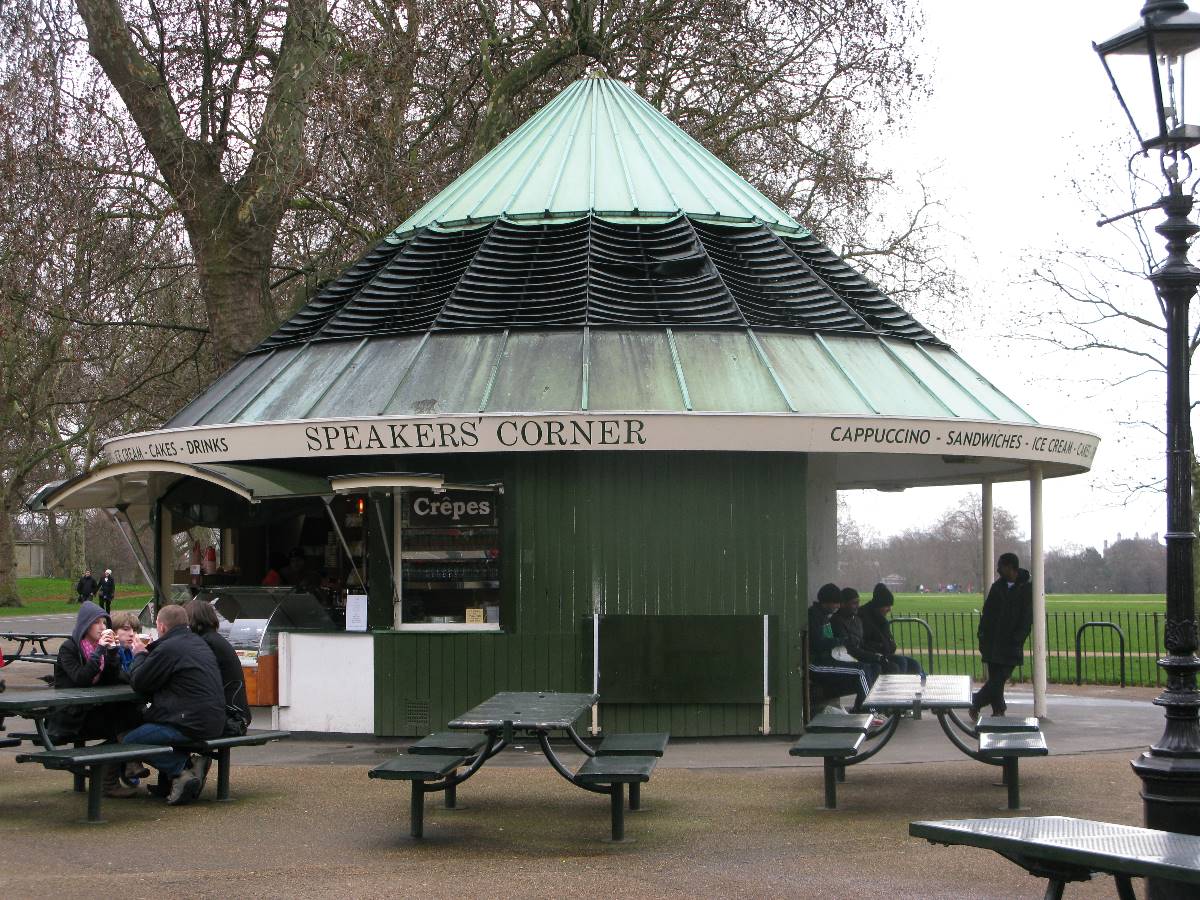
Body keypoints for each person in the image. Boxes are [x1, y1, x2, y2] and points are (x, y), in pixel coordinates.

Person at [123, 604, 226, 806]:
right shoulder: (197, 643)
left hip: (190, 723)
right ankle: (183, 773)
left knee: (130, 741)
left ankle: (184, 767)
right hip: (214, 720)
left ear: (161, 626)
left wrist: (140, 654)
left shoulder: (169, 648)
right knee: (151, 725)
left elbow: (139, 682)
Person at [49, 601, 144, 797]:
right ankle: (119, 772)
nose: (103, 627)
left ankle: (118, 772)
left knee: (130, 713)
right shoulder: (69, 648)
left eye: (104, 622)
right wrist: (101, 650)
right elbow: (81, 679)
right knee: (123, 722)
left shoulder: (100, 649)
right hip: (71, 714)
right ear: (85, 624)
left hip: (92, 709)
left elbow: (110, 680)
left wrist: (111, 653)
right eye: (97, 622)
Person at [969, 553, 1034, 720]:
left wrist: (1018, 638)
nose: (998, 569)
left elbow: (1027, 617)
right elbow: (987, 613)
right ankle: (998, 710)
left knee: (998, 680)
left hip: (1011, 644)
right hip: (992, 642)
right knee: (996, 680)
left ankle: (975, 701)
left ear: (1010, 567)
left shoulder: (1027, 588)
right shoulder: (998, 587)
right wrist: (982, 635)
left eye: (1000, 566)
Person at [183, 598, 251, 733]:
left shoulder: (205, 643)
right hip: (237, 714)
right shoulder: (213, 639)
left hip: (229, 718)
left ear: (192, 619)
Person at [807, 582, 872, 712]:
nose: (838, 606)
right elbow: (818, 644)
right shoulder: (814, 616)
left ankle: (863, 708)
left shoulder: (825, 617)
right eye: (836, 603)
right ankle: (870, 710)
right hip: (816, 665)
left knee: (867, 667)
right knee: (861, 671)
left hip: (828, 660)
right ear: (826, 602)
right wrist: (841, 641)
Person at [860, 583, 925, 676]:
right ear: (878, 605)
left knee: (914, 664)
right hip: (873, 656)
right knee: (901, 662)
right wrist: (883, 646)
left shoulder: (880, 618)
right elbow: (863, 643)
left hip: (884, 654)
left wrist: (889, 646)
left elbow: (889, 641)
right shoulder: (864, 617)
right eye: (887, 606)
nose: (889, 609)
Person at [830, 587, 882, 688]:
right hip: (846, 658)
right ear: (843, 604)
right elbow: (849, 648)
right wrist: (874, 657)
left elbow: (861, 643)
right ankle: (869, 702)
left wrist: (877, 653)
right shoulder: (836, 621)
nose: (857, 606)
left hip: (859, 656)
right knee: (869, 668)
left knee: (899, 663)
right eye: (854, 603)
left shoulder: (857, 620)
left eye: (858, 602)